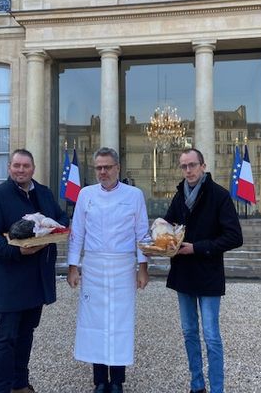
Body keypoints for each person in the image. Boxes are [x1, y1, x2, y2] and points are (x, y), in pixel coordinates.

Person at [0, 148, 69, 393]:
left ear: (33, 169)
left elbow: (61, 218)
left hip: (37, 277)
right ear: (9, 167)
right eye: (16, 165)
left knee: (27, 332)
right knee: (6, 337)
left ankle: (20, 384)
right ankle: (2, 387)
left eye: (25, 166)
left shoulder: (44, 193)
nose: (21, 170)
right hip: (10, 278)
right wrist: (16, 251)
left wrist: (57, 229)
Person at [67, 147, 149, 393]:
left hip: (123, 266)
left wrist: (142, 268)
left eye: (107, 167)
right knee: (95, 323)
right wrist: (73, 267)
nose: (103, 172)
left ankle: (117, 381)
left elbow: (142, 233)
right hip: (93, 266)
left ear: (118, 168)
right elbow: (77, 232)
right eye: (99, 168)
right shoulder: (85, 194)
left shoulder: (135, 195)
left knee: (120, 323)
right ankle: (100, 380)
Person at [163, 148, 243, 393]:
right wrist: (162, 238)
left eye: (192, 165)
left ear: (203, 166)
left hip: (207, 272)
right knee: (189, 332)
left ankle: (217, 388)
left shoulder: (219, 195)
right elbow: (168, 227)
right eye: (184, 166)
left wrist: (197, 248)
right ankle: (197, 385)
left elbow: (234, 237)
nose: (188, 170)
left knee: (211, 336)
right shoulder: (179, 196)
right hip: (184, 274)